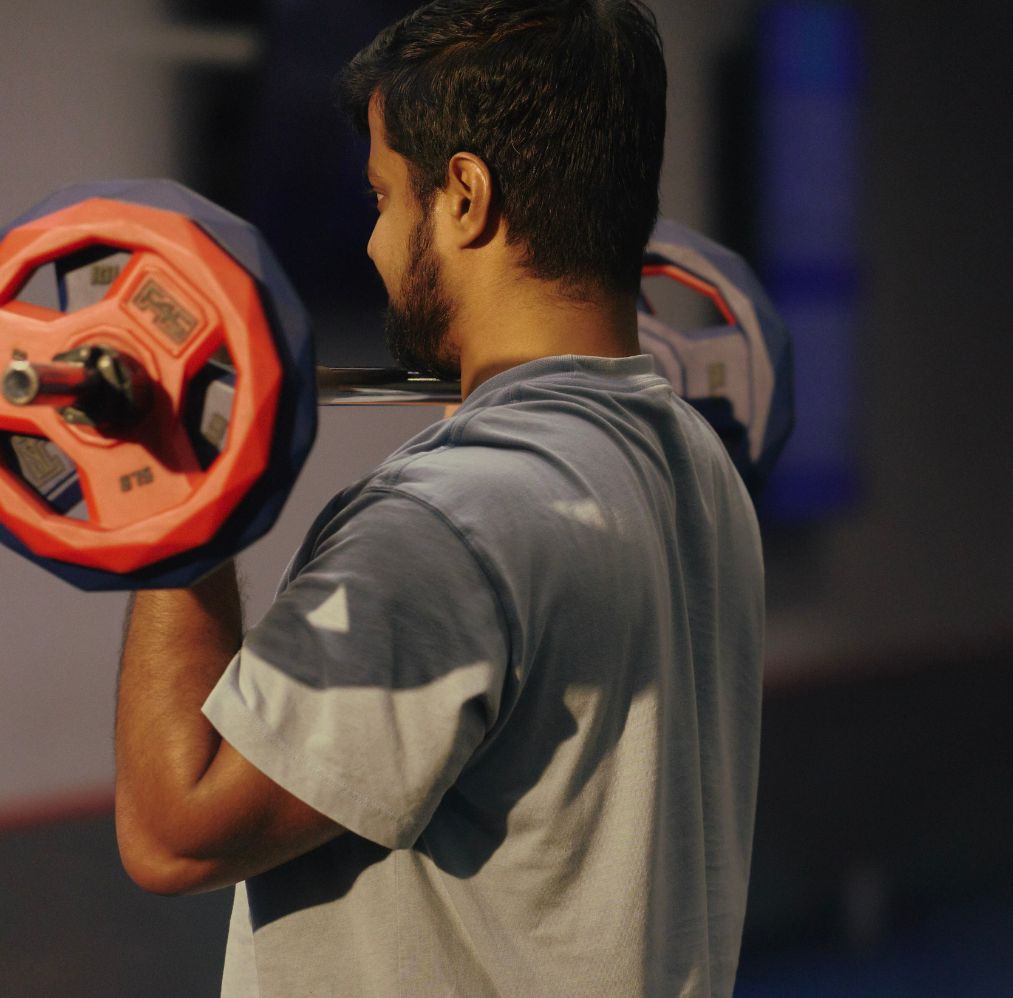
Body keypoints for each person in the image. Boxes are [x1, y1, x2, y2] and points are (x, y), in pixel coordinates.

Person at [112, 2, 766, 995]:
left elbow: (175, 832)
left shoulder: (442, 522)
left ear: (465, 195)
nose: (375, 245)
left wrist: (176, 496)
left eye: (383, 196)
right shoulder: (694, 466)